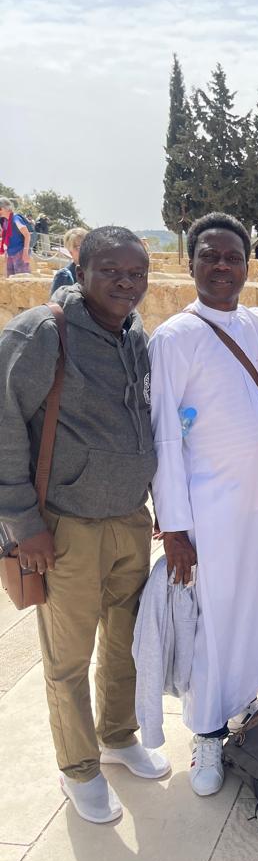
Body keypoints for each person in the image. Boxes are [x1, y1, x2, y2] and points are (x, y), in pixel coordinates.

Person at [0, 226, 169, 824]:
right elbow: (4, 427)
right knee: (68, 657)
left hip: (129, 521)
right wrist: (24, 523)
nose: (126, 283)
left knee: (125, 642)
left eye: (137, 274)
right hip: (65, 527)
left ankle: (118, 736)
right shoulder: (44, 332)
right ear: (82, 267)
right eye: (112, 271)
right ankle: (79, 768)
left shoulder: (135, 336)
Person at [148, 212, 258, 798]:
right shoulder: (175, 338)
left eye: (231, 257)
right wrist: (177, 528)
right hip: (208, 515)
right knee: (212, 620)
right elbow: (164, 436)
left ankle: (248, 713)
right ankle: (207, 734)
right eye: (208, 256)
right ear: (191, 264)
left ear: (247, 265)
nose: (220, 266)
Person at [50, 228, 89, 296]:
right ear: (70, 252)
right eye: (78, 248)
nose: (84, 250)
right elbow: (56, 304)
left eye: (87, 245)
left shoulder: (95, 272)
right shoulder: (64, 276)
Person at [0, 197, 31, 275]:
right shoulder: (4, 221)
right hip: (10, 253)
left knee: (22, 280)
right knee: (11, 281)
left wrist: (25, 252)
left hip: (20, 253)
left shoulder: (16, 219)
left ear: (6, 208)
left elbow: (27, 235)